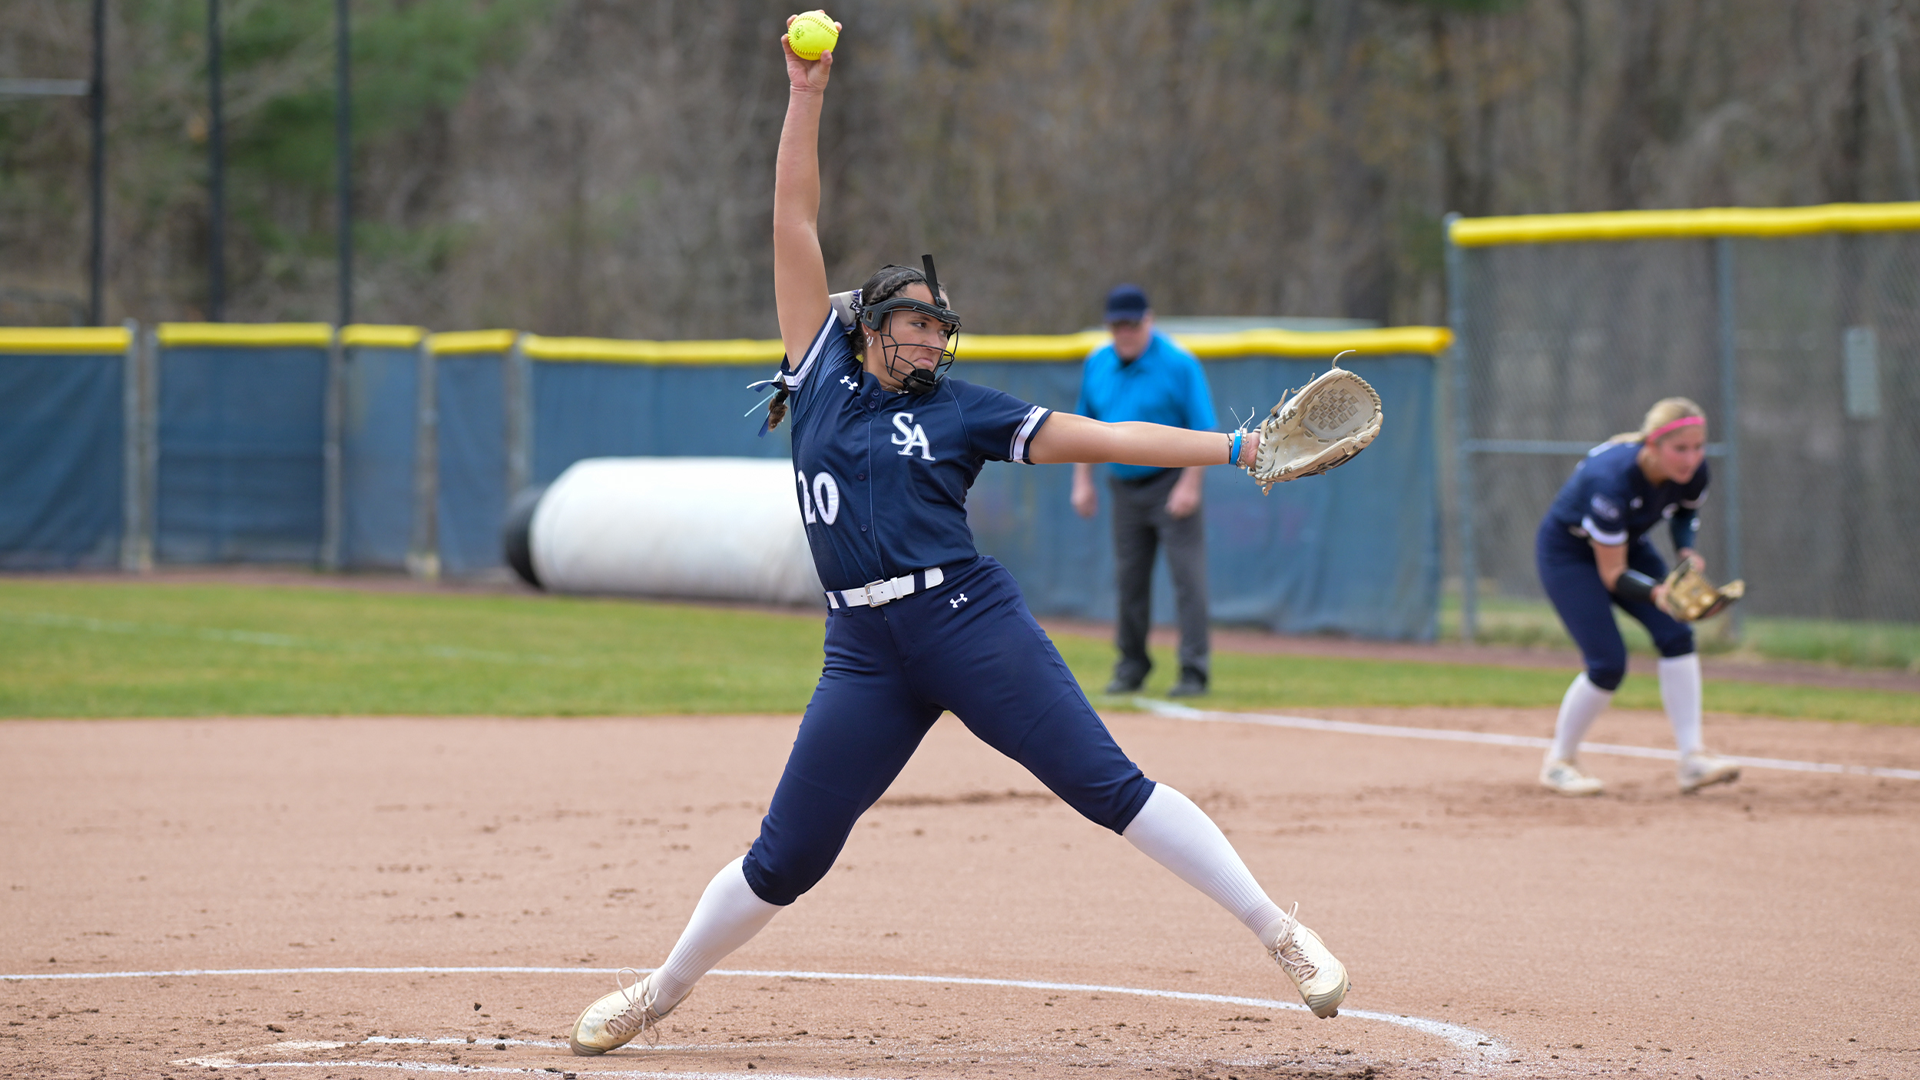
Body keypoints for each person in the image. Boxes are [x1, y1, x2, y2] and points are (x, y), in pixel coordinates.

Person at [566, 18, 1349, 1056]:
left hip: (966, 620)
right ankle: (658, 994)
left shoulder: (964, 409)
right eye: (918, 321)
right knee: (788, 855)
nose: (933, 337)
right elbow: (792, 224)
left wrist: (1236, 447)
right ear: (869, 325)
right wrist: (807, 96)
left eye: (942, 326)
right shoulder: (820, 377)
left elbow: (1103, 435)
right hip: (863, 651)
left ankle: (1281, 932)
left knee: (1105, 787)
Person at [1534, 396, 1743, 797]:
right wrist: (1657, 592)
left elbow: (1683, 511)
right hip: (1569, 555)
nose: (1691, 458)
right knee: (1607, 662)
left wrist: (1686, 550)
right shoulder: (1610, 480)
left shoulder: (1694, 473)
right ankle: (1559, 762)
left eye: (1698, 447)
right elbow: (1612, 574)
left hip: (1627, 542)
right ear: (1652, 445)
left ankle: (1692, 760)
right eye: (1679, 448)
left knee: (1677, 636)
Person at [1071, 285, 1217, 697]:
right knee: (1129, 580)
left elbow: (1203, 428)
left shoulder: (1178, 363)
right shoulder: (1098, 363)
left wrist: (1190, 484)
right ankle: (1131, 666)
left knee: (1188, 579)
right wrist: (1083, 481)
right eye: (1117, 325)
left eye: (1132, 324)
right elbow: (1085, 429)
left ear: (1148, 321)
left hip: (1172, 481)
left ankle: (1193, 670)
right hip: (1123, 486)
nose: (1125, 332)